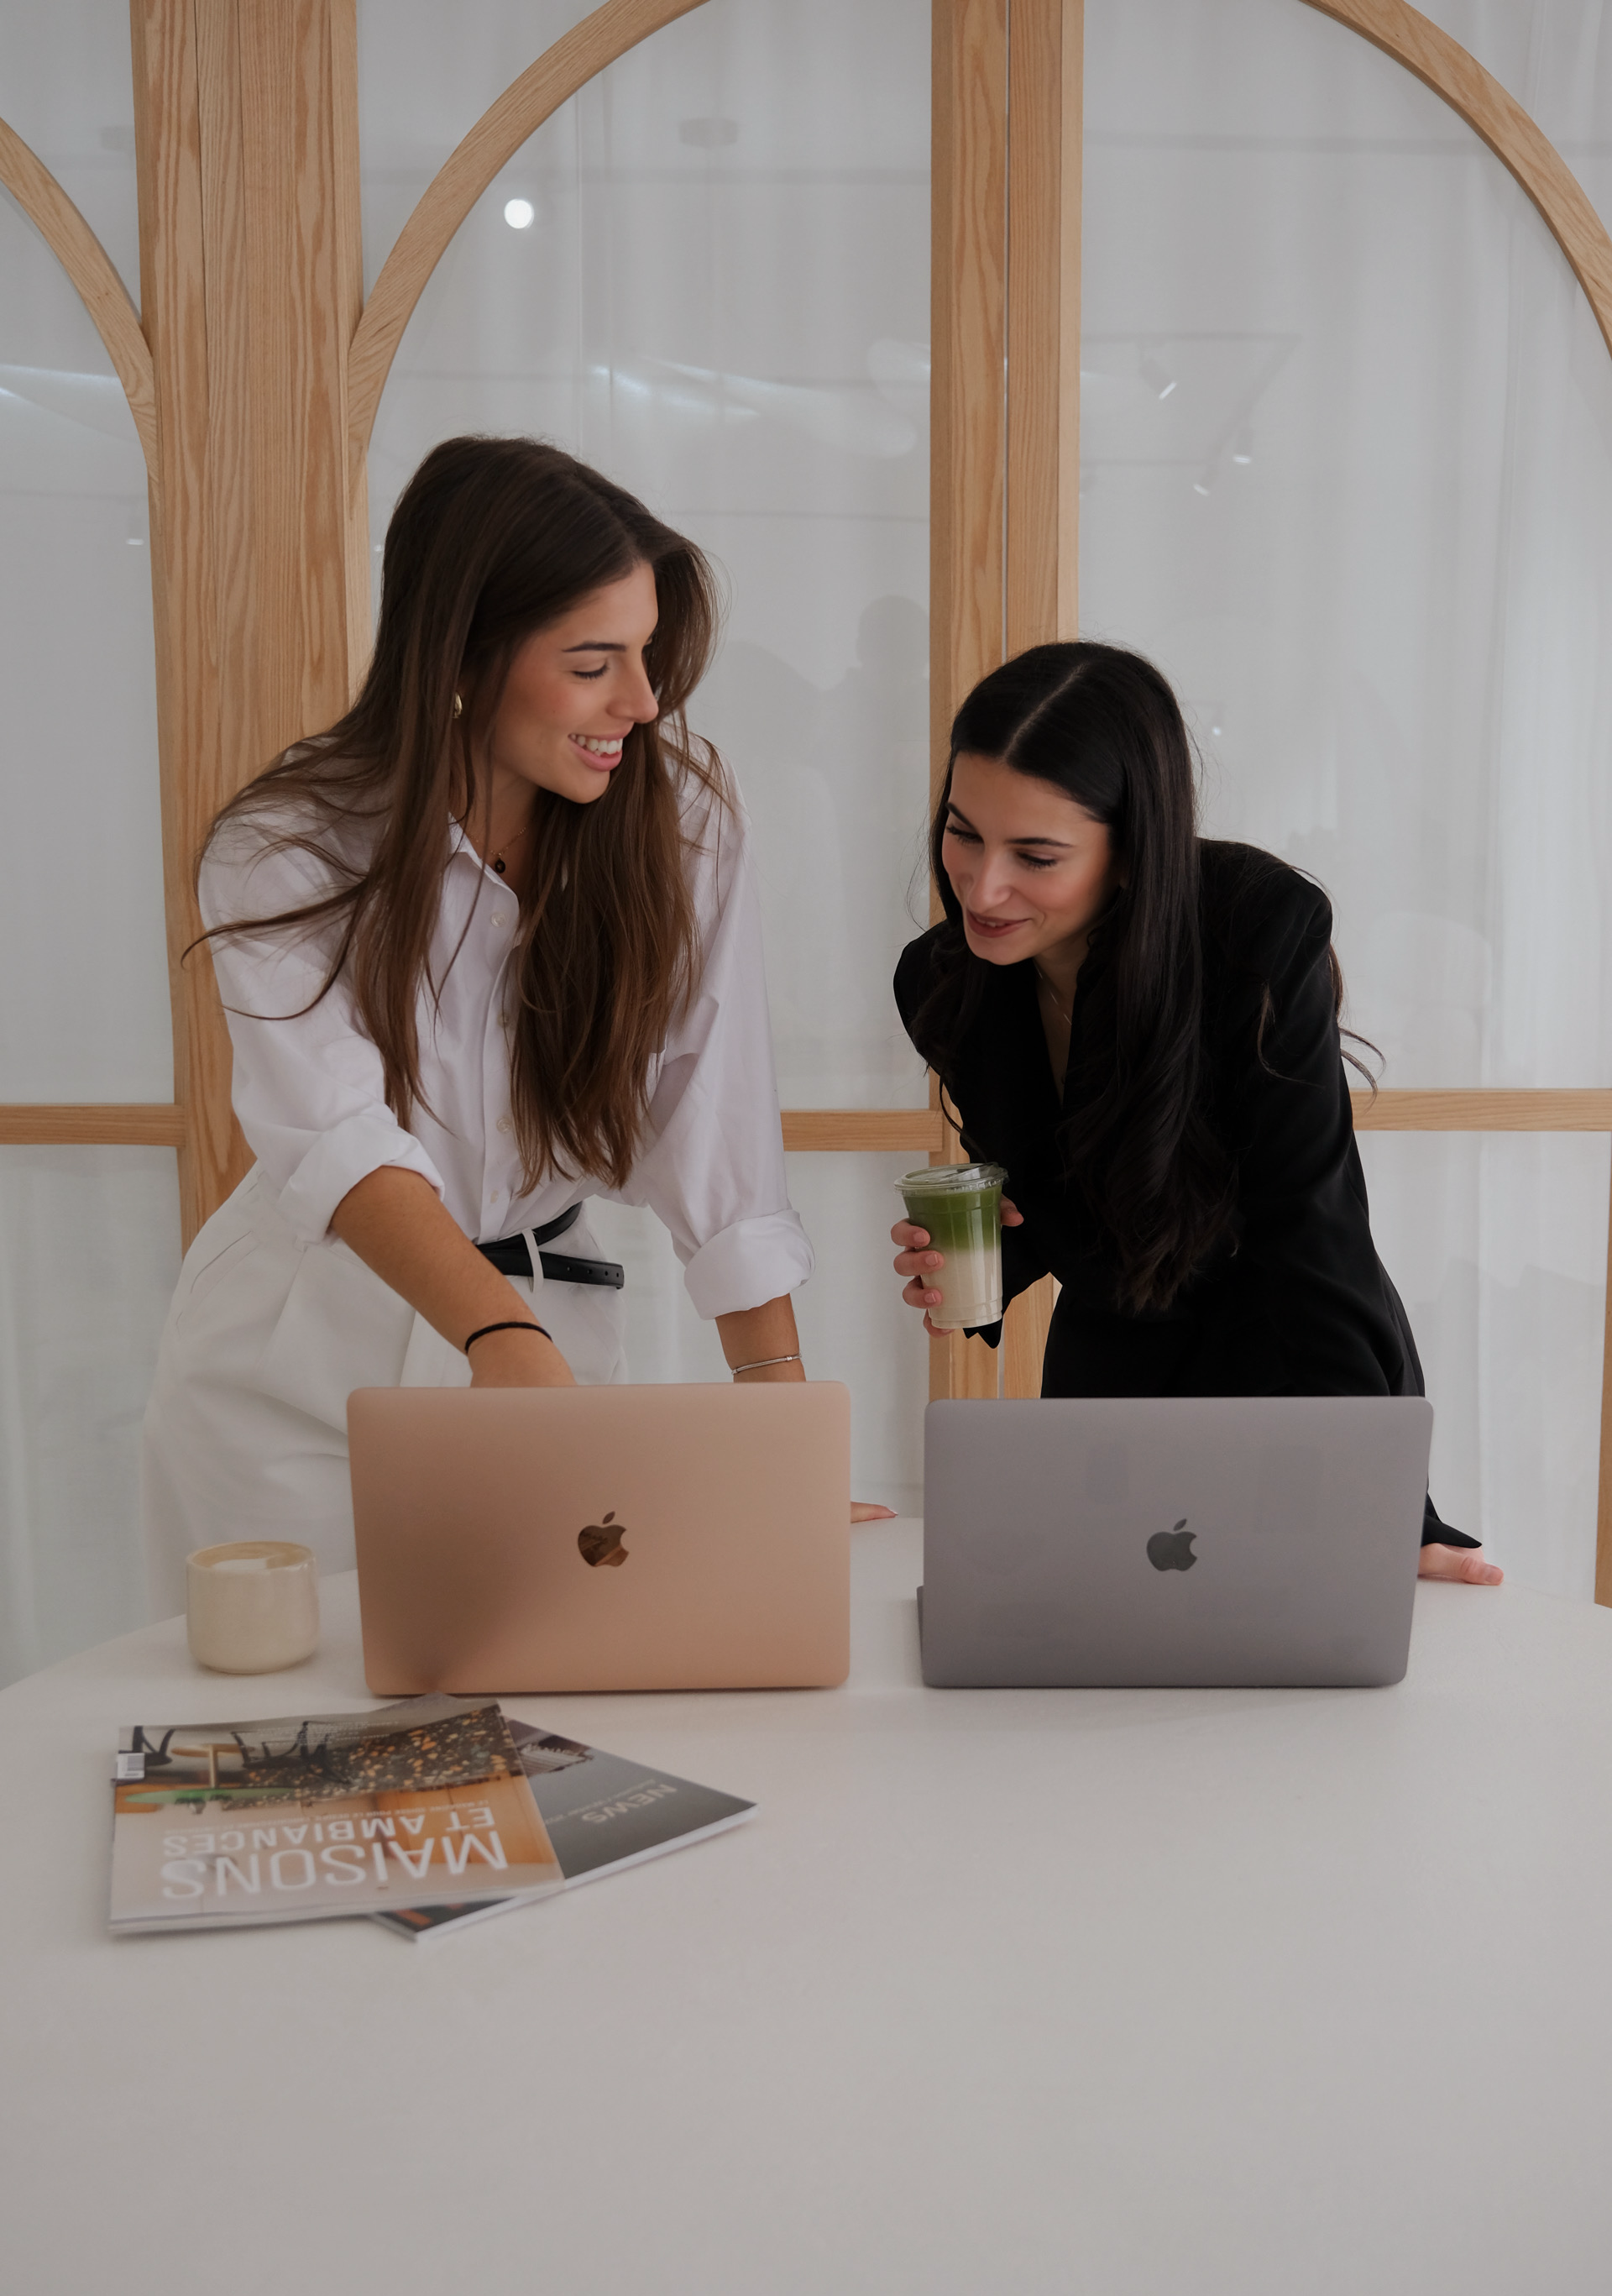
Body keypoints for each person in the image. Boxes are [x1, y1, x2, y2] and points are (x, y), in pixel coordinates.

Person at [144, 435, 888, 1622]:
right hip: (295, 1365)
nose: (641, 704)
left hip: (546, 1348)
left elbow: (716, 1129)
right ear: (462, 658)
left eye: (645, 656)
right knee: (295, 1733)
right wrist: (503, 1338)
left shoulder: (681, 829)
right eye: (595, 663)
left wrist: (778, 1426)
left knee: (554, 1713)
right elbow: (341, 1140)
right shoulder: (288, 845)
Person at [889, 642, 1500, 1586]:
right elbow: (1077, 1198)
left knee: (1303, 1670)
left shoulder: (1257, 929)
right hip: (1112, 1364)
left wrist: (1390, 1504)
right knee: (1104, 1662)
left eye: (1036, 855)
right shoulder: (942, 982)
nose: (983, 886)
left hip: (1288, 1357)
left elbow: (1312, 1229)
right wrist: (992, 1258)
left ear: (1132, 852)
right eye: (964, 832)